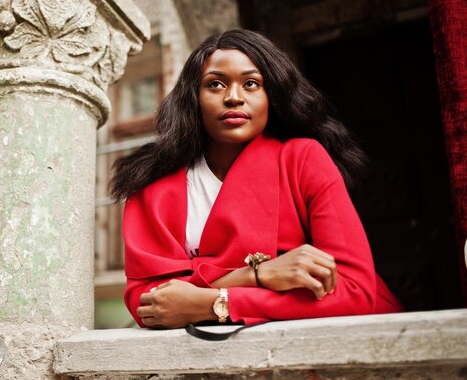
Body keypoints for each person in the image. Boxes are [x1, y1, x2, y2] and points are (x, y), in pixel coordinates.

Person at [110, 29, 403, 329]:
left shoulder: (303, 158)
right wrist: (259, 275)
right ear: (193, 98)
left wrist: (213, 303)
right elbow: (147, 301)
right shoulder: (151, 183)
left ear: (271, 95)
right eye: (215, 84)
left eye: (251, 83)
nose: (233, 97)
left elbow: (354, 291)